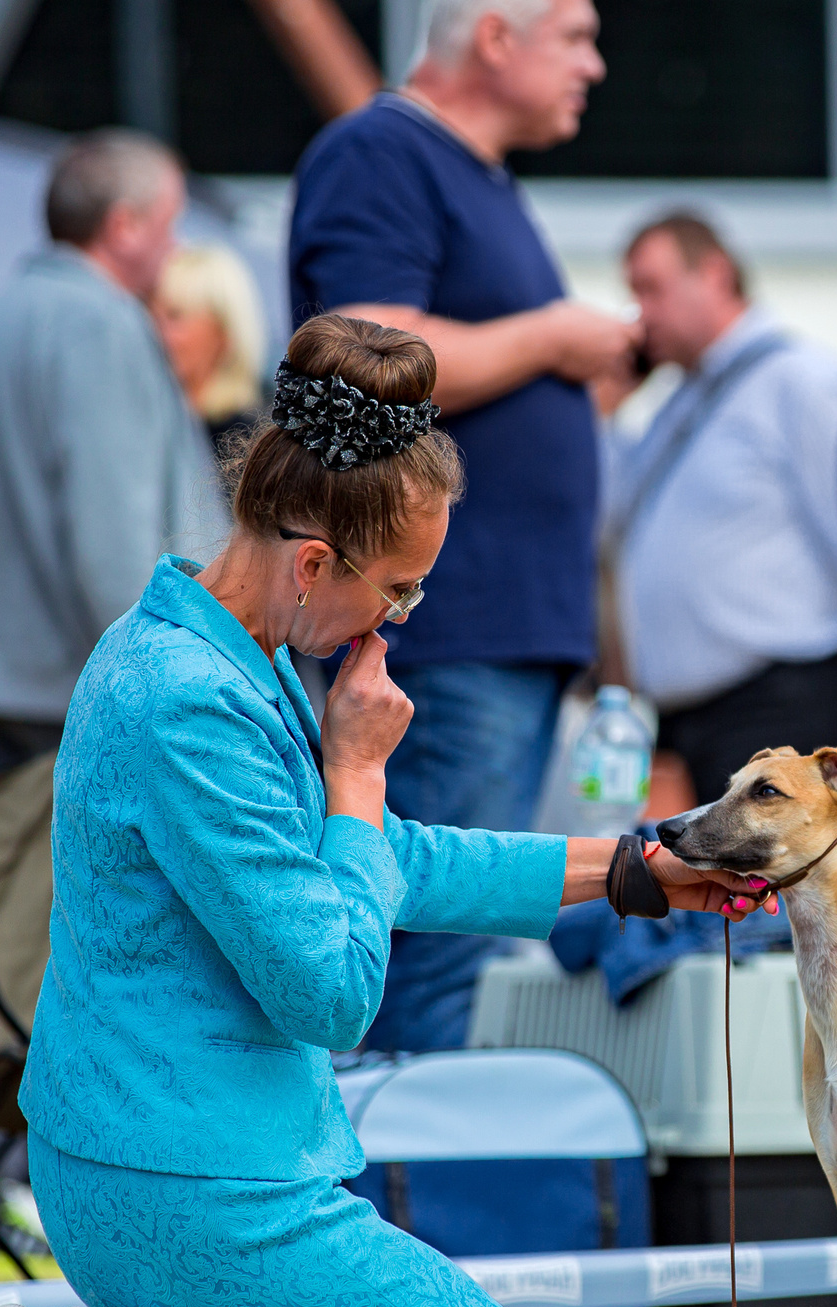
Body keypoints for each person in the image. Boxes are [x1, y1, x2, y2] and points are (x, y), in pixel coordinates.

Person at [0, 317, 762, 1307]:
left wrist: (627, 869)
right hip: (199, 1184)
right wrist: (354, 774)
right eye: (395, 591)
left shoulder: (204, 653)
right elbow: (330, 991)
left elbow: (377, 868)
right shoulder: (196, 704)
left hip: (139, 1162)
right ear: (309, 563)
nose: (398, 625)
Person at [288, 0, 639, 1052]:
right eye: (574, 35)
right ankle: (392, 1195)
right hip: (450, 635)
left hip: (493, 631)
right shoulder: (383, 153)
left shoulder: (466, 173)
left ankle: (414, 1183)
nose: (595, 62)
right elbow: (367, 350)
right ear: (496, 37)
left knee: (457, 941)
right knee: (428, 939)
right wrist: (552, 339)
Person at [0, 131, 222, 783]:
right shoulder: (99, 323)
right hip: (85, 686)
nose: (175, 247)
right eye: (169, 224)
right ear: (124, 225)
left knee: (16, 883)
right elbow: (113, 535)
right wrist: (172, 687)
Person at [594, 212, 837, 808]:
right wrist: (603, 412)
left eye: (652, 289)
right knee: (710, 898)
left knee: (768, 899)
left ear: (714, 274)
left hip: (778, 701)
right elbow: (609, 517)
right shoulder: (681, 400)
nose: (640, 316)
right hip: (689, 717)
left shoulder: (802, 380)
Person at [154, 244, 270, 461]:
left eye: (174, 316)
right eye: (152, 315)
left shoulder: (247, 447)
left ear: (223, 332)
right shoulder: (156, 420)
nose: (157, 332)